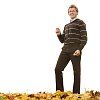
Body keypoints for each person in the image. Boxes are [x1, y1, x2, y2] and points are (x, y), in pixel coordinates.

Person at [55, 4, 87, 94]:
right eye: (70, 11)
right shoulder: (66, 25)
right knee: (58, 69)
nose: (71, 12)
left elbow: (84, 38)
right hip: (65, 49)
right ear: (68, 13)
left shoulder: (81, 23)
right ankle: (60, 92)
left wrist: (79, 49)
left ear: (77, 12)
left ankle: (76, 93)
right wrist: (59, 34)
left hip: (75, 49)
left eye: (73, 11)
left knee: (76, 71)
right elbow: (62, 40)